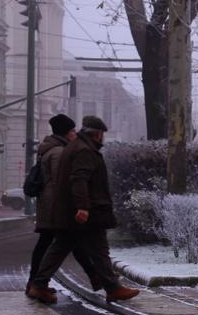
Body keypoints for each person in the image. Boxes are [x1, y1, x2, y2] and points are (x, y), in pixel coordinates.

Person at [28, 116, 139, 304]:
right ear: (97, 134)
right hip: (87, 211)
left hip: (72, 211)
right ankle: (112, 288)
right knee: (99, 249)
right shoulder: (84, 150)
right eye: (102, 134)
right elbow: (79, 179)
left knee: (61, 247)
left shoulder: (76, 147)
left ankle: (38, 284)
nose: (102, 138)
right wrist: (83, 207)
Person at [26, 114, 102, 296]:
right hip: (57, 207)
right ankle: (38, 283)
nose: (75, 134)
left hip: (49, 205)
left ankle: (35, 283)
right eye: (73, 131)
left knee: (61, 243)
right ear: (67, 133)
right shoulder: (60, 153)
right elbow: (66, 181)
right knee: (67, 242)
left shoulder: (49, 149)